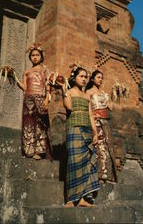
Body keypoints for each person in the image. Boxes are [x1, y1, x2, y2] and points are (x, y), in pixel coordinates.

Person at [58, 66, 100, 207]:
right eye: (81, 76)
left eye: (85, 77)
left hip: (87, 131)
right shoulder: (69, 92)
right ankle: (71, 199)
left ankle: (82, 199)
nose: (84, 79)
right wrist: (64, 90)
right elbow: (69, 107)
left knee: (87, 164)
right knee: (74, 163)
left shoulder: (87, 96)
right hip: (74, 130)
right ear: (74, 77)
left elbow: (90, 115)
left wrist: (95, 133)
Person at [16, 44, 52, 160]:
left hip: (40, 98)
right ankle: (28, 151)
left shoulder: (45, 70)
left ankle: (39, 151)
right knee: (28, 124)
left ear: (41, 57)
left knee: (40, 123)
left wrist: (46, 100)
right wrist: (14, 77)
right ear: (30, 57)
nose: (35, 57)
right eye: (33, 55)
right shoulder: (26, 72)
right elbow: (24, 87)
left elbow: (48, 87)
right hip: (28, 99)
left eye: (37, 55)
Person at [86, 70, 117, 182]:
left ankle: (106, 175)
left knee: (107, 148)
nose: (100, 79)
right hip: (95, 122)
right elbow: (88, 110)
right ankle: (97, 175)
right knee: (98, 147)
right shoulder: (89, 92)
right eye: (98, 77)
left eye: (101, 77)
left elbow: (111, 107)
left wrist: (114, 96)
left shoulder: (104, 94)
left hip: (105, 122)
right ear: (92, 79)